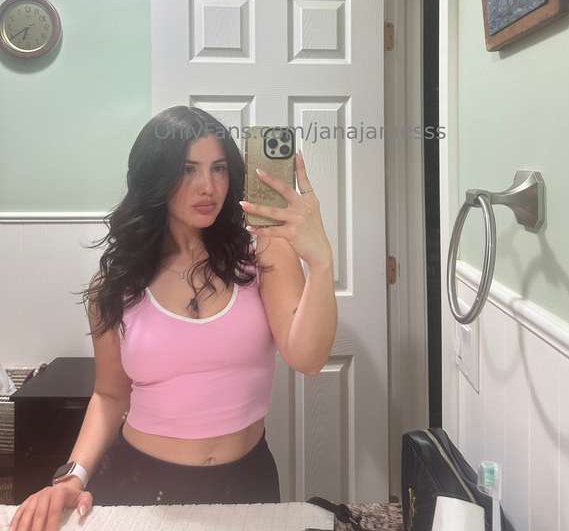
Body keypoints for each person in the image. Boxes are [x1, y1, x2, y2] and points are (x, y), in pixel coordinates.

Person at [9, 106, 335, 530]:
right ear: (155, 176)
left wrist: (321, 262)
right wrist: (72, 477)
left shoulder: (264, 255)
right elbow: (109, 395)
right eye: (188, 169)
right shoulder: (116, 283)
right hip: (140, 483)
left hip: (246, 481)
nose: (207, 187)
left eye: (219, 168)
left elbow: (308, 358)